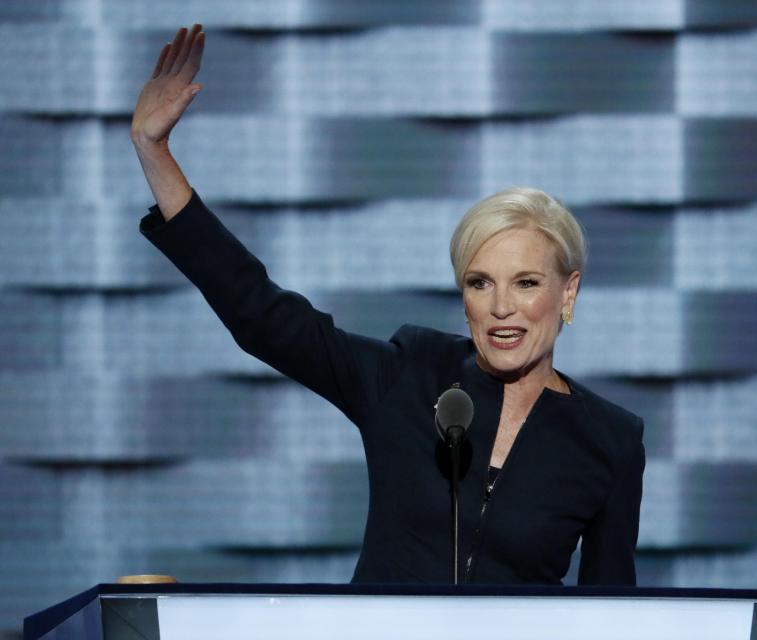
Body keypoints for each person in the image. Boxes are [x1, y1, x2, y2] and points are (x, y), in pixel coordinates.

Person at [132, 24, 645, 585]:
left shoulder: (611, 439)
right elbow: (264, 316)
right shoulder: (411, 375)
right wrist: (154, 151)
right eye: (479, 283)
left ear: (566, 293)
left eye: (525, 283)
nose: (501, 306)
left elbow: (611, 607)